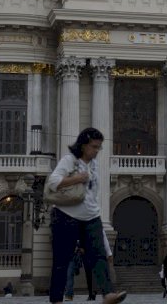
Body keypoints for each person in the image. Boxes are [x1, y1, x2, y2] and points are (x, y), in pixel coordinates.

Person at [46, 128, 126, 304]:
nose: (97, 151)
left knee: (99, 255)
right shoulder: (70, 160)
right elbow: (52, 182)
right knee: (62, 259)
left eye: (99, 147)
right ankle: (56, 299)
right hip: (66, 215)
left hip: (91, 216)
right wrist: (76, 179)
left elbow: (92, 192)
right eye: (94, 147)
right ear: (83, 145)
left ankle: (108, 294)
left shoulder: (94, 164)